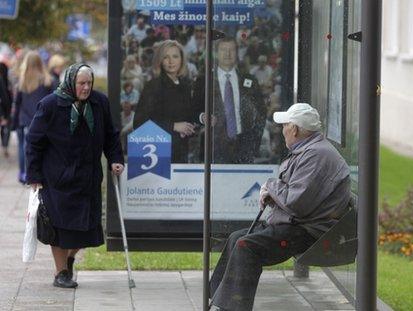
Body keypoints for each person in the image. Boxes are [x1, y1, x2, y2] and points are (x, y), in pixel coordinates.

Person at [209, 103, 352, 311]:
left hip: (308, 231)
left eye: (284, 125)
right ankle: (216, 301)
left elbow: (296, 203)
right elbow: (296, 195)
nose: (282, 130)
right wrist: (274, 193)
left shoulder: (316, 155)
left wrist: (270, 186)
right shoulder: (308, 150)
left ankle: (232, 308)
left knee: (245, 246)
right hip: (295, 223)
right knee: (235, 239)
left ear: (294, 129)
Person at [25, 63, 124, 288]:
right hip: (58, 179)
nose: (86, 88)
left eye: (89, 83)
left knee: (87, 229)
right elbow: (33, 141)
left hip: (88, 178)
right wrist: (34, 176)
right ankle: (61, 273)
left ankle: (69, 260)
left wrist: (116, 159)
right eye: (82, 83)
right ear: (71, 82)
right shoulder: (50, 105)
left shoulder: (99, 103)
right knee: (59, 229)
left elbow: (111, 135)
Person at [193, 37, 266, 164]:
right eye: (223, 50)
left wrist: (254, 144)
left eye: (232, 50)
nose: (227, 53)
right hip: (213, 148)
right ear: (216, 53)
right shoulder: (204, 80)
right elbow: (193, 110)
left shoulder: (250, 80)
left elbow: (260, 113)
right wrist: (202, 117)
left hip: (244, 148)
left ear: (237, 53)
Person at [133, 40, 196, 163]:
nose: (171, 61)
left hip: (181, 153)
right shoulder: (153, 86)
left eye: (175, 56)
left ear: (182, 60)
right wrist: (173, 126)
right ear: (160, 61)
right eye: (166, 57)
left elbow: (186, 117)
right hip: (157, 156)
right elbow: (139, 122)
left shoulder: (186, 85)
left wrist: (189, 127)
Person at [13, 51, 54, 183]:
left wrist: (14, 122)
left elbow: (17, 103)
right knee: (39, 147)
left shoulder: (22, 81)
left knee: (23, 146)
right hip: (40, 119)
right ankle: (36, 172)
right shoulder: (47, 80)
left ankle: (23, 173)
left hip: (24, 119)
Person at [0, 62, 12, 157]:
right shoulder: (4, 80)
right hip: (4, 109)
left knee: (5, 128)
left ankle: (4, 145)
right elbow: (4, 97)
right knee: (6, 127)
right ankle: (5, 145)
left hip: (4, 108)